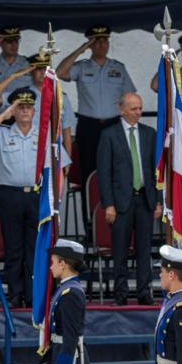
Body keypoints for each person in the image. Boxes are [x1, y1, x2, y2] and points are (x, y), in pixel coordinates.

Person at [0, 88, 70, 307]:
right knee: (13, 249)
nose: (24, 111)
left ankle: (34, 296)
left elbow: (60, 167)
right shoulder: (3, 133)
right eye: (19, 107)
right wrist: (4, 114)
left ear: (34, 111)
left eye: (28, 107)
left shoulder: (45, 134)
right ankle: (15, 295)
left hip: (37, 196)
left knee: (36, 249)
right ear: (14, 111)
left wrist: (57, 202)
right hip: (9, 196)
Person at [56, 24, 136, 228]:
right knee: (89, 175)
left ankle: (119, 218)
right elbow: (60, 72)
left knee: (117, 171)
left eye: (105, 40)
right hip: (89, 126)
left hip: (113, 124)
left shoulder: (118, 67)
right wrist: (80, 50)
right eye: (96, 41)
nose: (102, 44)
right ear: (90, 44)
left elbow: (131, 97)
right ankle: (91, 222)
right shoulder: (82, 67)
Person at [97, 92, 160, 306]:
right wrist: (109, 204)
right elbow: (104, 173)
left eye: (140, 108)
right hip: (121, 201)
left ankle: (144, 292)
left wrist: (158, 200)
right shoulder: (109, 135)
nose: (139, 112)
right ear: (122, 109)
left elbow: (155, 171)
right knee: (120, 250)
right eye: (134, 108)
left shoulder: (149, 134)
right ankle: (121, 293)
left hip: (144, 198)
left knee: (144, 249)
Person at [0, 52, 75, 148]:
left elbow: (66, 132)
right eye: (38, 69)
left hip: (53, 151)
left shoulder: (61, 97)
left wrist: (68, 160)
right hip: (28, 149)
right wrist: (13, 76)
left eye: (45, 69)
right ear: (31, 71)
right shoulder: (22, 94)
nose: (43, 72)